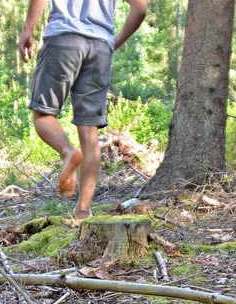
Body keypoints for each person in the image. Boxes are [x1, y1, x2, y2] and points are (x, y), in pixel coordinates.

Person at [18, 0, 147, 219]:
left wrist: (27, 31)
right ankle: (83, 211)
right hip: (100, 47)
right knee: (90, 132)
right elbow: (140, 8)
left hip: (63, 37)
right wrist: (112, 43)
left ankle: (68, 151)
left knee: (43, 114)